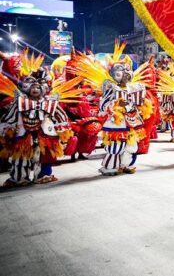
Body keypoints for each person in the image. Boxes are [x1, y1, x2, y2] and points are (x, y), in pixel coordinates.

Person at [72, 43, 153, 176]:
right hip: (116, 124)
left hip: (132, 123)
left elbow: (141, 105)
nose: (125, 72)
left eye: (127, 69)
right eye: (121, 70)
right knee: (115, 148)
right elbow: (103, 107)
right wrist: (116, 105)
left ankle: (125, 165)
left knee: (131, 147)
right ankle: (110, 167)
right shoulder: (110, 88)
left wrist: (141, 105)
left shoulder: (135, 88)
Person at [0, 50, 76, 186]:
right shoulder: (19, 101)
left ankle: (43, 175)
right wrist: (6, 130)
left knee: (44, 157)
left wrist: (64, 130)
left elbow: (60, 116)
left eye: (39, 84)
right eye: (31, 83)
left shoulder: (50, 102)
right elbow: (10, 117)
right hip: (23, 134)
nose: (35, 87)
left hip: (45, 134)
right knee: (20, 158)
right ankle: (19, 178)